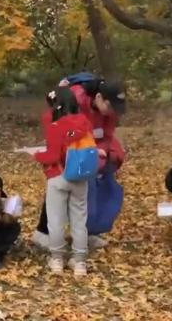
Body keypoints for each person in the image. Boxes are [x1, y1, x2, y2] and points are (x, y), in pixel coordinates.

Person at [32, 75, 126, 250]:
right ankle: (42, 232)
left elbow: (106, 136)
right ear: (99, 97)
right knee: (61, 183)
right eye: (110, 106)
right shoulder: (75, 98)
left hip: (91, 147)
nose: (112, 111)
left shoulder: (109, 113)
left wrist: (103, 157)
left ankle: (89, 231)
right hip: (65, 142)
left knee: (96, 183)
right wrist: (87, 152)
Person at [33, 87, 94, 276]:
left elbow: (52, 156)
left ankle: (57, 260)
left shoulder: (56, 126)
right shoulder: (85, 123)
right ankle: (80, 262)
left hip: (58, 176)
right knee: (79, 220)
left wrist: (36, 155)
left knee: (56, 220)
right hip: (80, 177)